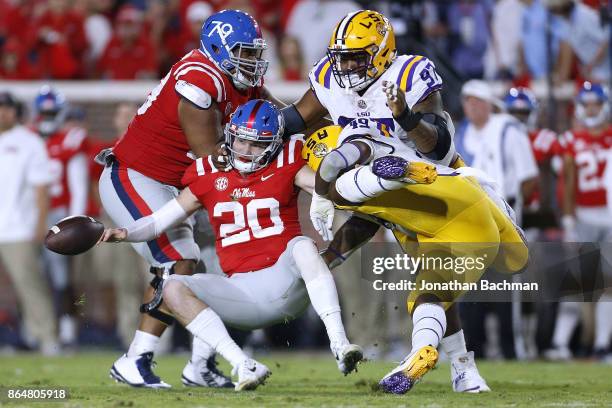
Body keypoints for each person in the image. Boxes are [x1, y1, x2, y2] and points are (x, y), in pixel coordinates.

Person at [280, 9, 485, 392]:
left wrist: (405, 118)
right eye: (341, 56)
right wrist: (251, 121)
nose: (345, 65)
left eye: (356, 56)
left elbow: (438, 146)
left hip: (431, 183)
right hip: (380, 187)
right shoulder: (330, 79)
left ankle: (456, 362)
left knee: (436, 275)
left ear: (381, 52)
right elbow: (292, 119)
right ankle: (460, 366)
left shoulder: (407, 74)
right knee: (430, 276)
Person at [100, 99, 362, 391]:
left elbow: (328, 187)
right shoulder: (208, 173)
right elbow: (160, 221)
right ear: (230, 135)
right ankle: (242, 364)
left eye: (257, 145)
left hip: (286, 283)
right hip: (239, 291)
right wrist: (125, 232)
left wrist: (337, 190)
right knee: (172, 285)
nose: (246, 151)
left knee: (302, 245)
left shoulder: (288, 162)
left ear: (274, 145)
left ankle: (339, 343)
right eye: (240, 140)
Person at [98, 9, 284, 389]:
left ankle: (200, 365)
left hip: (184, 186)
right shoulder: (200, 80)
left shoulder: (238, 75)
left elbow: (274, 117)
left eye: (253, 52)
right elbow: (213, 158)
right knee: (179, 262)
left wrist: (324, 125)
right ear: (219, 48)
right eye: (243, 52)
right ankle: (135, 359)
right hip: (138, 176)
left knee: (220, 267)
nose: (251, 60)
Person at [302, 119, 528, 394]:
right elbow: (363, 225)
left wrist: (324, 192)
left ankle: (424, 348)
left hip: (452, 223)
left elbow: (339, 182)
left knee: (425, 299)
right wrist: (330, 257)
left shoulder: (349, 175)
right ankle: (464, 372)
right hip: (473, 205)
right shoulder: (397, 149)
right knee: (446, 294)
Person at [546, 82, 612, 361]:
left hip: (609, 216)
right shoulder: (571, 139)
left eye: (595, 104)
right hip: (583, 215)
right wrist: (570, 219)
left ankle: (602, 344)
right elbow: (567, 182)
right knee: (575, 281)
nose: (591, 109)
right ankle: (560, 343)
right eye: (586, 104)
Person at [0, 91, 59, 355]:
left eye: (6, 108)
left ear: (15, 112)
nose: (2, 113)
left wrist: (39, 225)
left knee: (30, 285)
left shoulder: (29, 141)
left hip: (18, 227)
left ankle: (46, 337)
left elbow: (41, 188)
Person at [33, 86, 89, 348]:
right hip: (31, 216)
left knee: (62, 278)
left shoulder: (70, 140)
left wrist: (73, 219)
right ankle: (37, 331)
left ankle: (67, 329)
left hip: (59, 215)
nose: (46, 118)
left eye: (51, 113)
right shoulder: (28, 140)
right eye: (43, 113)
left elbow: (78, 184)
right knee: (36, 275)